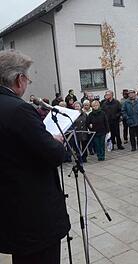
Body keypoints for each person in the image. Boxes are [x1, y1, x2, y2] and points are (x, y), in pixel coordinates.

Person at [0, 50, 70, 264]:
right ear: (19, 79)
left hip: (10, 210)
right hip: (34, 217)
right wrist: (55, 141)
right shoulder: (20, 110)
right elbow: (55, 154)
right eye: (28, 78)